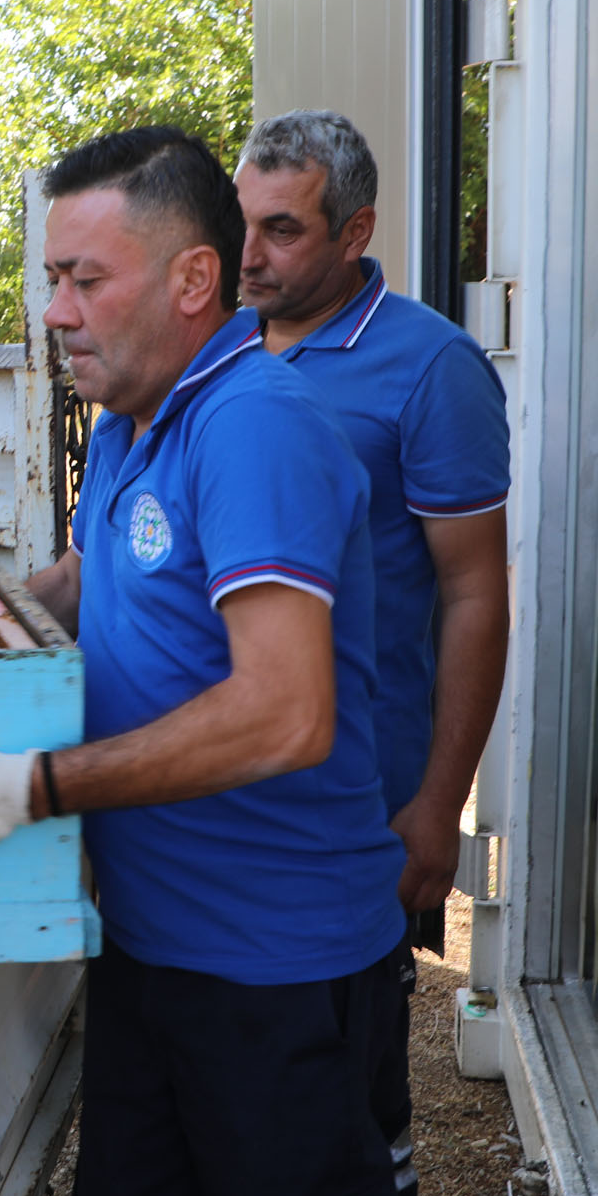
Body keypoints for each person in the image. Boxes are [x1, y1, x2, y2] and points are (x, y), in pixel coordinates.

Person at [0, 126, 422, 1196]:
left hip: (279, 973)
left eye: (84, 279)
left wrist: (25, 787)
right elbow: (88, 580)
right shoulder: (129, 423)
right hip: (155, 954)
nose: (56, 310)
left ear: (192, 281)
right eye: (53, 278)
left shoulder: (255, 424)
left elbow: (285, 710)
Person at [233, 111, 510, 922]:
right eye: (240, 221)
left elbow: (474, 596)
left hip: (354, 802)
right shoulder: (214, 349)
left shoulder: (431, 369)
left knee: (330, 1034)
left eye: (280, 230)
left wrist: (437, 808)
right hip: (212, 793)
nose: (248, 255)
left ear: (355, 232)